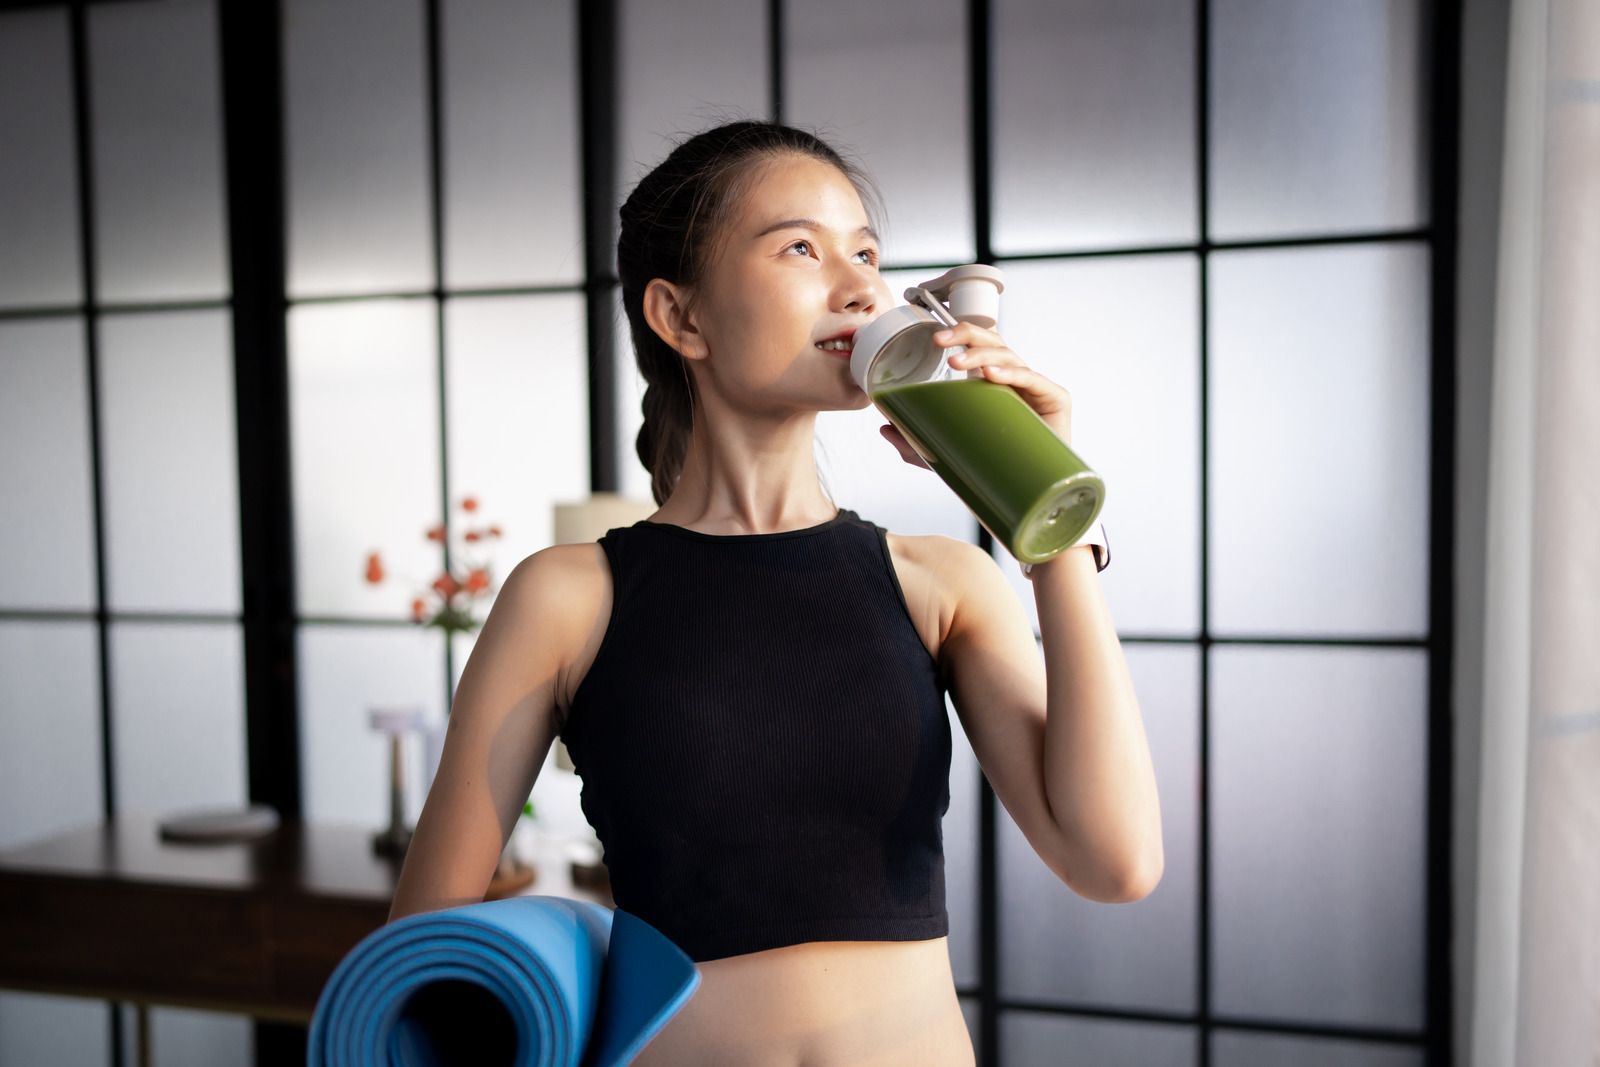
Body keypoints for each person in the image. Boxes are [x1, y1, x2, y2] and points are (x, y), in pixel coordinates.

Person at [388, 120, 1163, 1066]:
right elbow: (417, 955)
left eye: (866, 253)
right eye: (802, 247)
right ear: (682, 318)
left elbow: (1115, 859)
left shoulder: (942, 584)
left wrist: (1049, 505)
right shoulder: (568, 597)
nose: (860, 286)